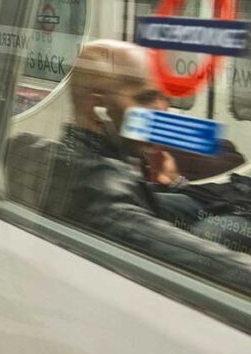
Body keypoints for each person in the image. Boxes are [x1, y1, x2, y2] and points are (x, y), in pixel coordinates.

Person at [35, 40, 251, 292]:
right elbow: (209, 263)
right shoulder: (100, 190)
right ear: (97, 109)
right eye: (147, 98)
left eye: (164, 97)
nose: (164, 109)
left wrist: (175, 184)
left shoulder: (77, 159)